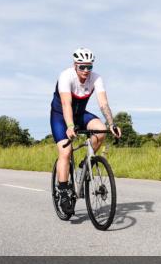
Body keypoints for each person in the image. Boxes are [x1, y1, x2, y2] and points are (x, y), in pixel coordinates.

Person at [50, 48, 121, 206]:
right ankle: (63, 191)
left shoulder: (96, 78)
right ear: (75, 65)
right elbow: (66, 104)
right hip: (60, 116)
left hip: (80, 114)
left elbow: (103, 103)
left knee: (100, 130)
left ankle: (84, 165)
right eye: (82, 66)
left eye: (89, 66)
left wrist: (111, 123)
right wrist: (70, 126)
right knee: (66, 151)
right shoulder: (66, 76)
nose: (86, 70)